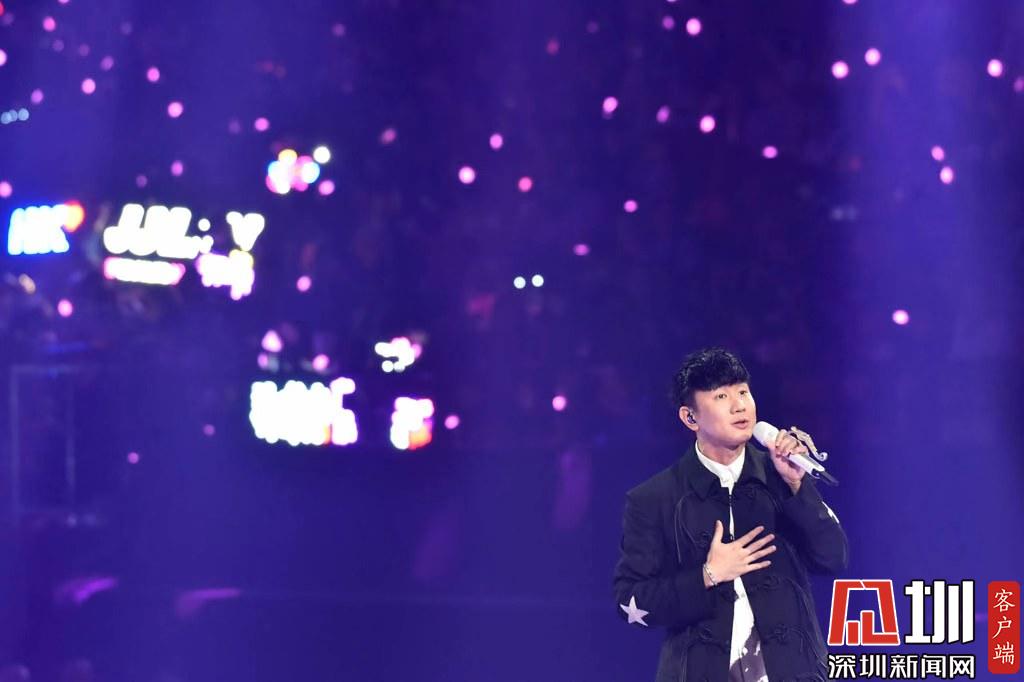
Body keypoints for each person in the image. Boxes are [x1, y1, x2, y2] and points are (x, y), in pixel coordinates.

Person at [613, 348, 848, 682]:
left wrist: (797, 487)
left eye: (743, 392)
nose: (739, 405)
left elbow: (834, 558)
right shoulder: (654, 498)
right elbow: (630, 600)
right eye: (721, 396)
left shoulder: (780, 475)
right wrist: (707, 575)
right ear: (690, 417)